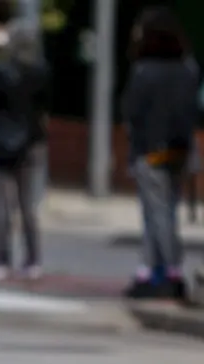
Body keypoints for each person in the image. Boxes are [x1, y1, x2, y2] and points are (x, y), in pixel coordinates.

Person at [120, 6, 199, 300]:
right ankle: (152, 269)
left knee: (155, 214)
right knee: (167, 211)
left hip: (150, 151)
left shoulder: (143, 71)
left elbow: (131, 112)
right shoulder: (188, 69)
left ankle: (167, 270)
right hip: (180, 149)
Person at [0, 22, 50, 280]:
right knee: (28, 204)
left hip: (1, 142)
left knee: (0, 203)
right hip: (33, 142)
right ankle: (33, 259)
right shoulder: (41, 73)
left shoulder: (0, 73)